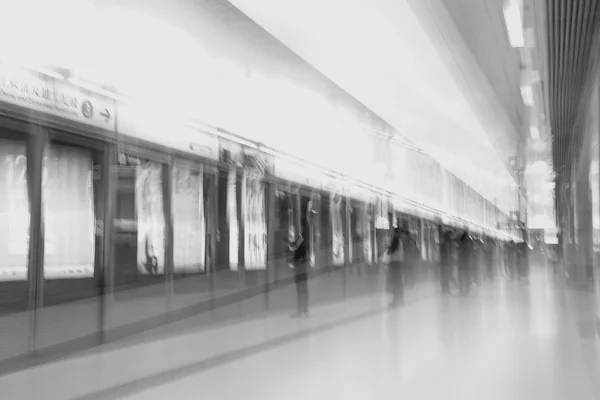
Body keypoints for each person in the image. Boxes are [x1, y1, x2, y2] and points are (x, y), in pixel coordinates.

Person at [288, 229, 309, 318]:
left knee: (301, 290)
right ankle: (304, 310)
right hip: (302, 269)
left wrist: (293, 261)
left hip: (300, 269)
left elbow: (294, 251)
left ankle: (302, 310)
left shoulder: (299, 245)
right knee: (303, 290)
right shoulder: (302, 244)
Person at [383, 227, 405, 307]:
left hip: (395, 264)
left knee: (395, 283)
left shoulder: (396, 240)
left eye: (393, 233)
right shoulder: (399, 241)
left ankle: (396, 301)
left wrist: (387, 247)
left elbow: (390, 251)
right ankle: (399, 300)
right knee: (398, 283)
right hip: (398, 264)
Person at [439, 228, 453, 295]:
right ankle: (447, 290)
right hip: (446, 262)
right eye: (451, 235)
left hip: (443, 262)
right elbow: (448, 253)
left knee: (444, 276)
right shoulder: (447, 242)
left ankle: (444, 290)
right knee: (447, 276)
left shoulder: (444, 242)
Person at [458, 231, 472, 295]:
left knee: (462, 277)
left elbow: (460, 253)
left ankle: (462, 290)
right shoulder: (467, 244)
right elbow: (469, 254)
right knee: (466, 277)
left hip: (462, 263)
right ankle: (466, 290)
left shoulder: (460, 244)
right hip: (466, 263)